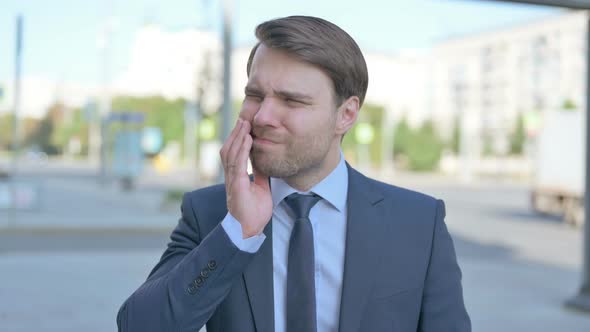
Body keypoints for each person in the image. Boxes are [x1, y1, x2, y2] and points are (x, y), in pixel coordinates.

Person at [117, 15, 471, 332]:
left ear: (346, 115)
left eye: (292, 101)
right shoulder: (210, 213)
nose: (262, 117)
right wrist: (237, 233)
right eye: (255, 95)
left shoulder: (418, 222)